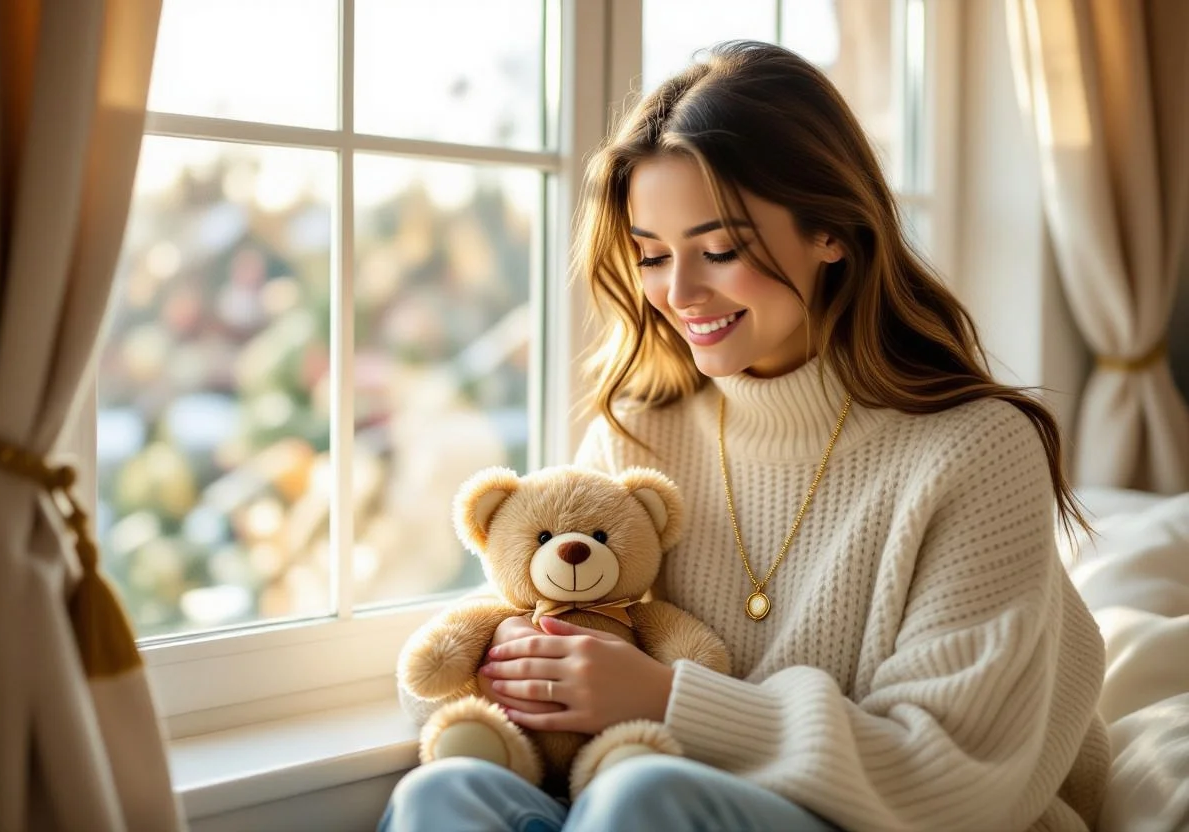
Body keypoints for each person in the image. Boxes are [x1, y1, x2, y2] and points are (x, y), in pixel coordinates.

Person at [380, 41, 1109, 832]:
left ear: (831, 230)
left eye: (719, 250)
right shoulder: (641, 434)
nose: (680, 292)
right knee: (443, 794)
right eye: (651, 256)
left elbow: (950, 778)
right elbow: (542, 622)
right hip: (662, 802)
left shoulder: (975, 451)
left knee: (642, 797)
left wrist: (666, 699)